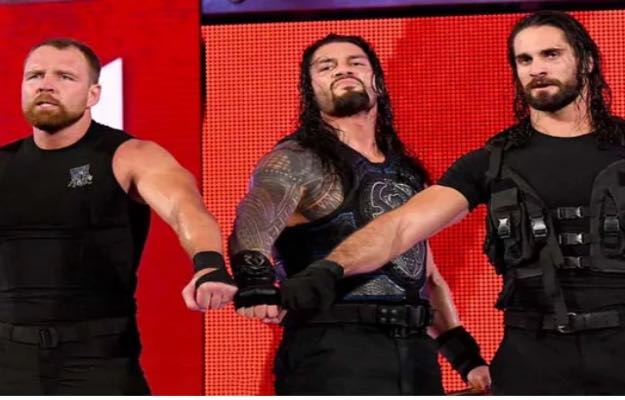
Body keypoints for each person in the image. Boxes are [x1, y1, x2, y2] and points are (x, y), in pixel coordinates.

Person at [281, 11, 625, 395]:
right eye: (524, 59)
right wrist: (329, 269)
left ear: (587, 61)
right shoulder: (492, 161)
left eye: (551, 54)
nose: (537, 69)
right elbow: (401, 226)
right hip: (534, 361)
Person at [229, 34, 490, 395]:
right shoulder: (296, 160)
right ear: (310, 90)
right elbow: (256, 216)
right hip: (331, 352)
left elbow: (423, 274)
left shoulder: (406, 172)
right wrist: (254, 278)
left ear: (376, 81)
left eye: (355, 63)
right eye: (327, 66)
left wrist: (466, 358)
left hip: (415, 353)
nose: (342, 70)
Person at [0, 38, 237, 395]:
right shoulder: (4, 164)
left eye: (65, 76)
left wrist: (208, 263)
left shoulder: (130, 156)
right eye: (35, 75)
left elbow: (183, 205)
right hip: (7, 361)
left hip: (99, 360)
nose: (46, 84)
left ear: (93, 94)